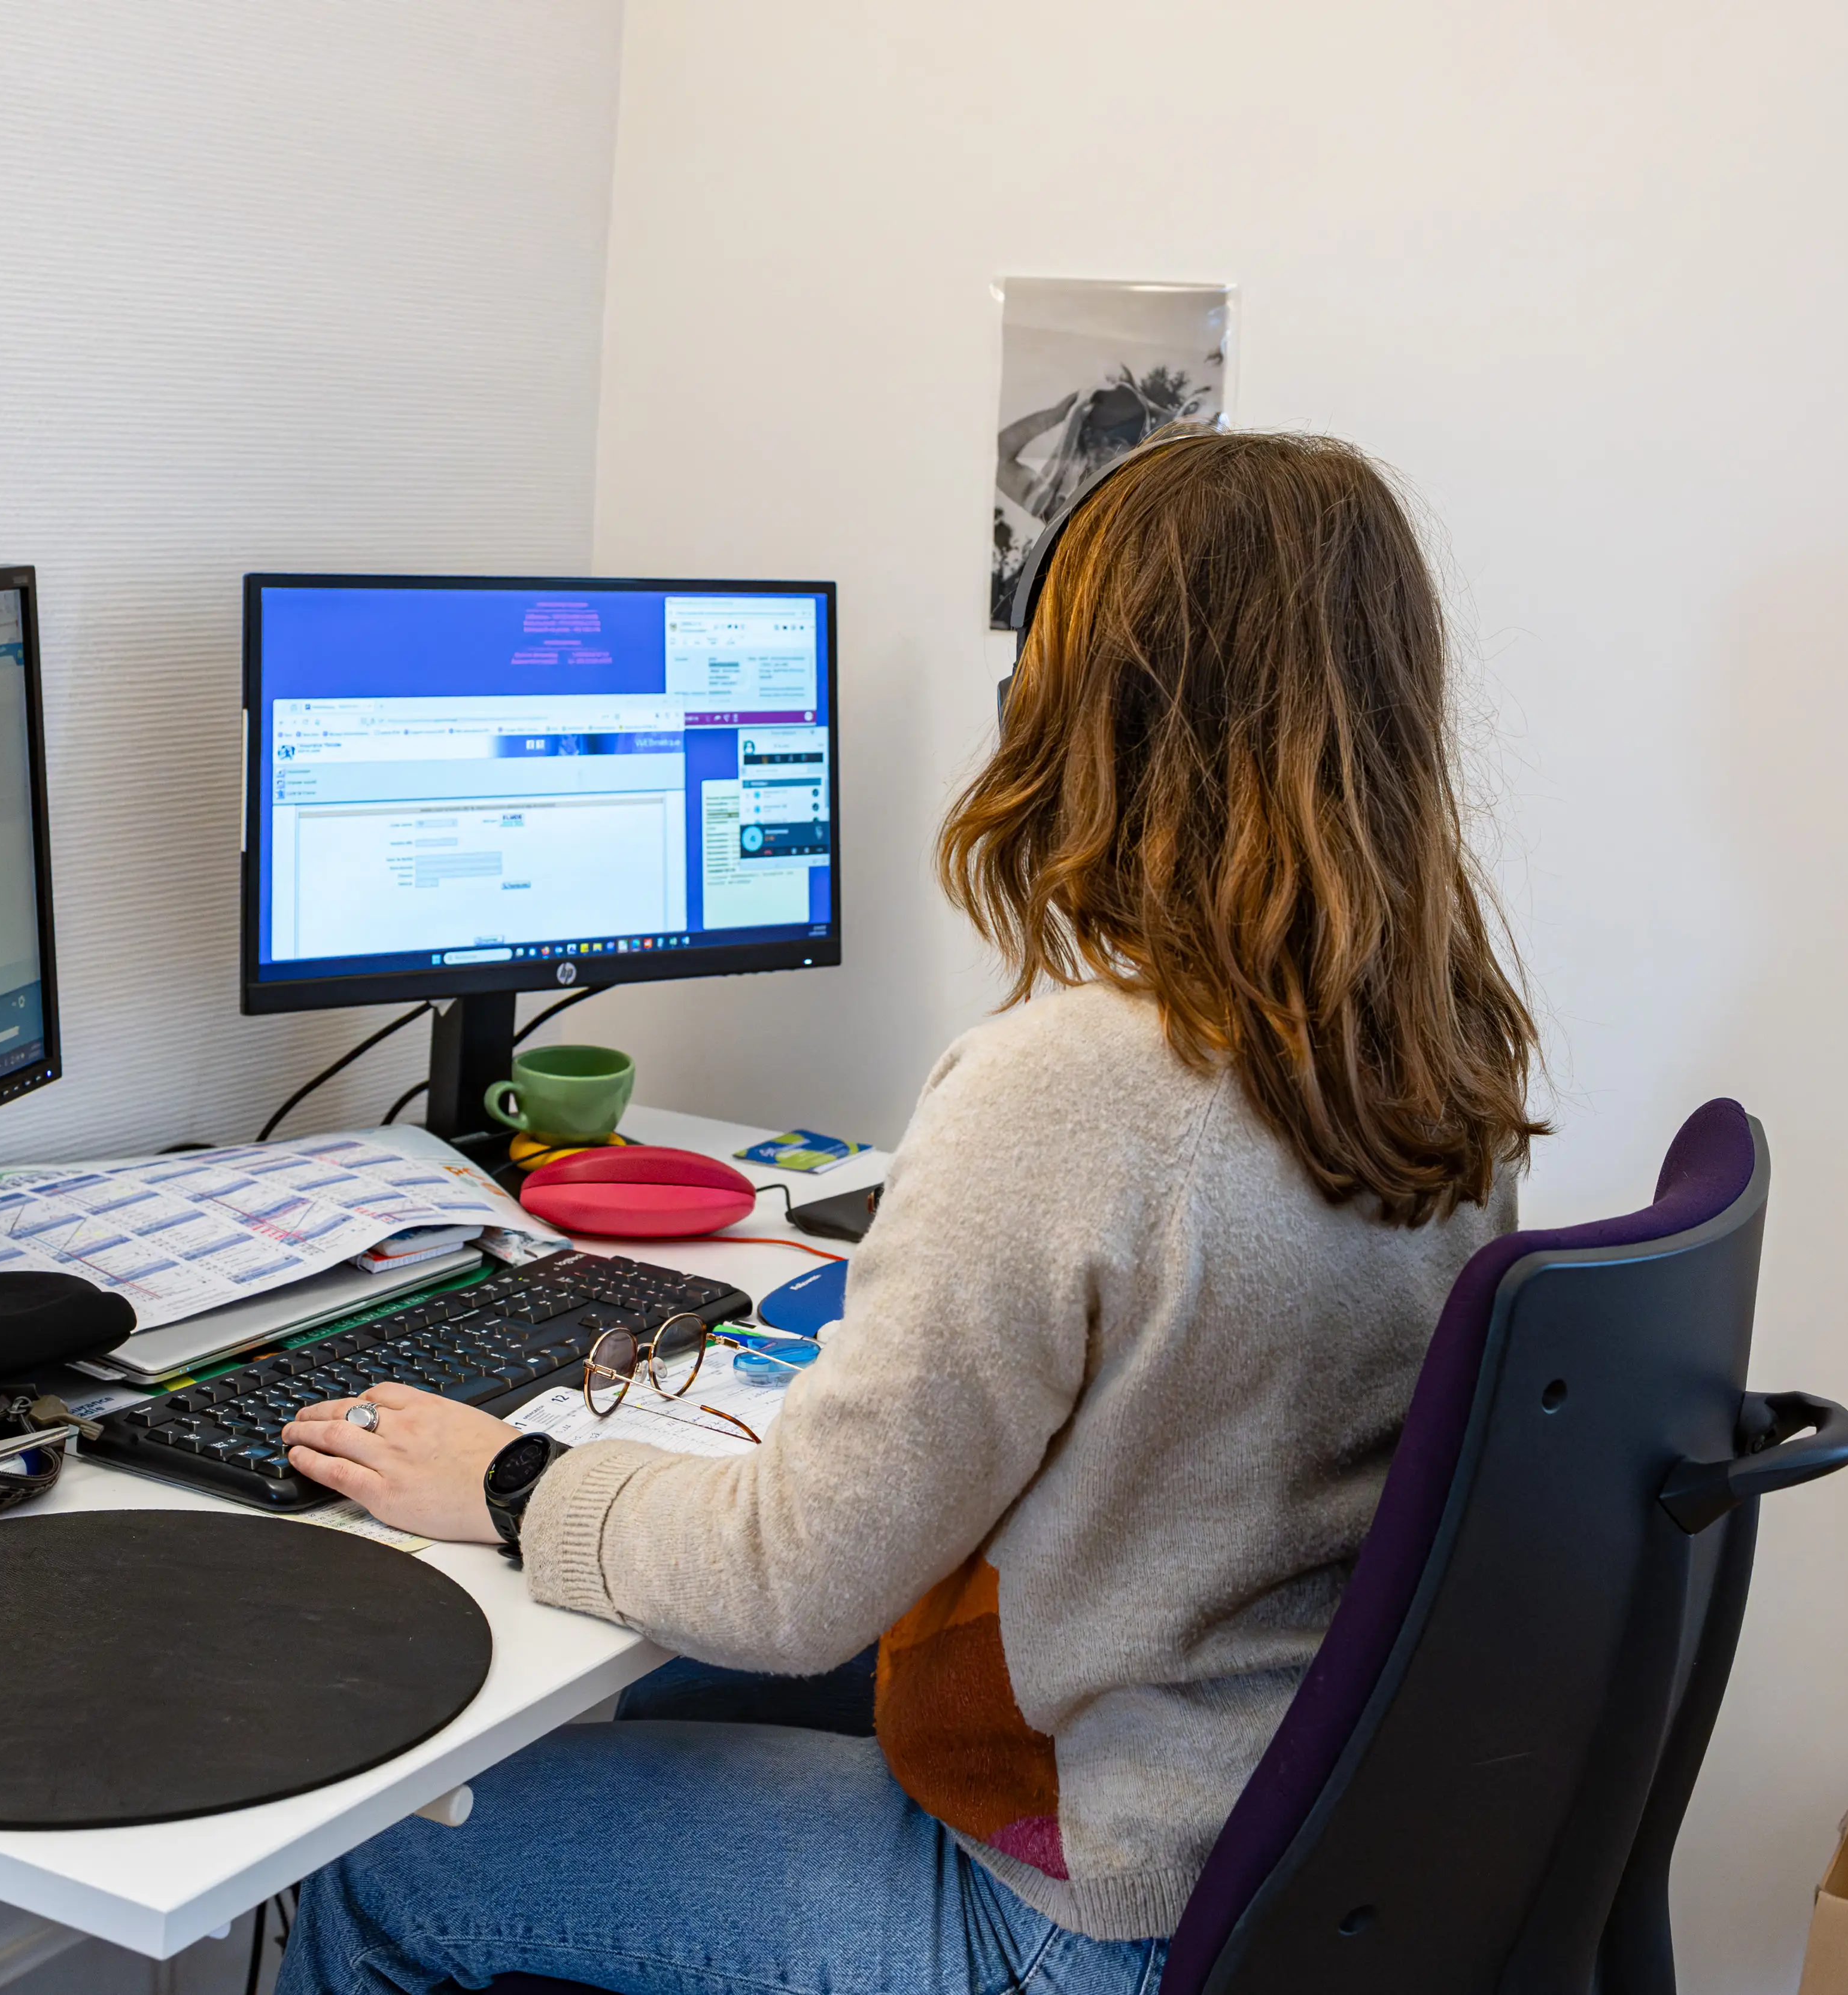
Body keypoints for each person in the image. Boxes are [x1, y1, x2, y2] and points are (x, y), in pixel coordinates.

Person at [273, 429, 1546, 1995]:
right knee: (668, 1698)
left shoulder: (1074, 1083)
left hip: (1087, 1919)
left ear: (1089, 706)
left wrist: (522, 1478)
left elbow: (793, 1580)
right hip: (1290, 1855)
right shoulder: (1436, 1048)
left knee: (392, 1849)